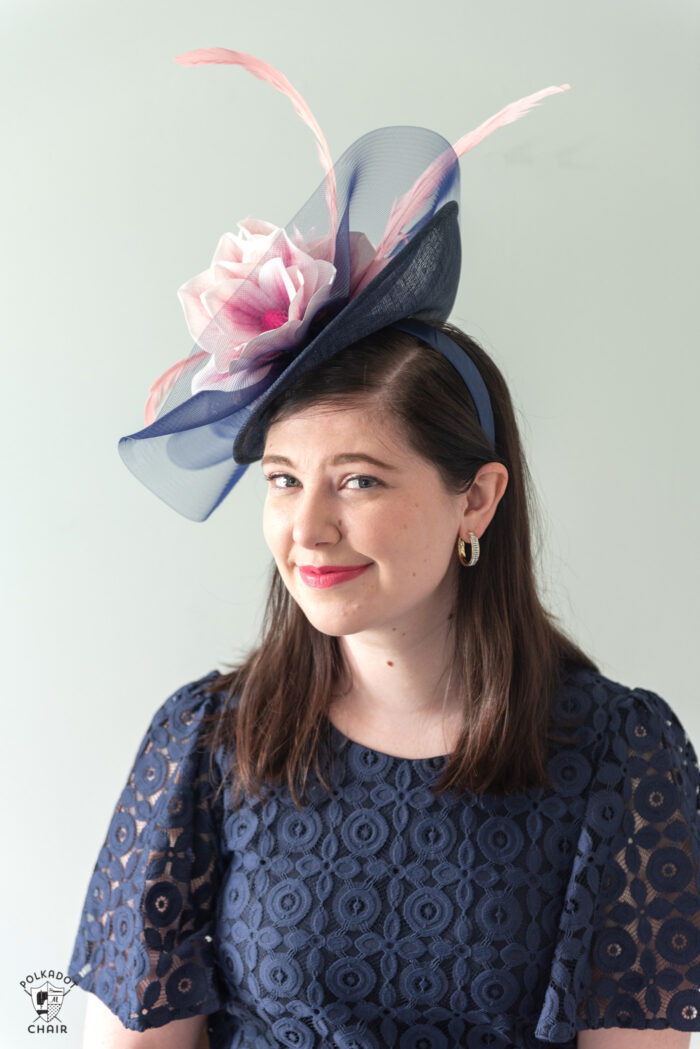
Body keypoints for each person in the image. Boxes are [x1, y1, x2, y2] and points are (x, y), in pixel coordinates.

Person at [66, 48, 700, 1049]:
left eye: (357, 480)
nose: (307, 529)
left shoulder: (620, 756)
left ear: (475, 499)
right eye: (282, 480)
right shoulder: (203, 742)